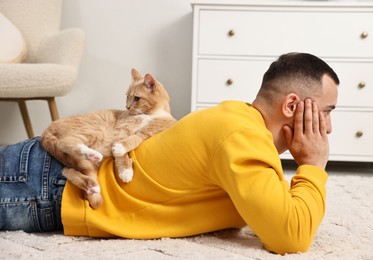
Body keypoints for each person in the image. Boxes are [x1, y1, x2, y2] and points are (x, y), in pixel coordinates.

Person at [0, 52, 339, 254]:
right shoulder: (242, 135)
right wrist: (313, 164)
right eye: (327, 111)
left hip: (47, 176)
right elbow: (291, 236)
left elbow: (275, 211)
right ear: (293, 105)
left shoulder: (239, 121)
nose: (328, 127)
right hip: (51, 184)